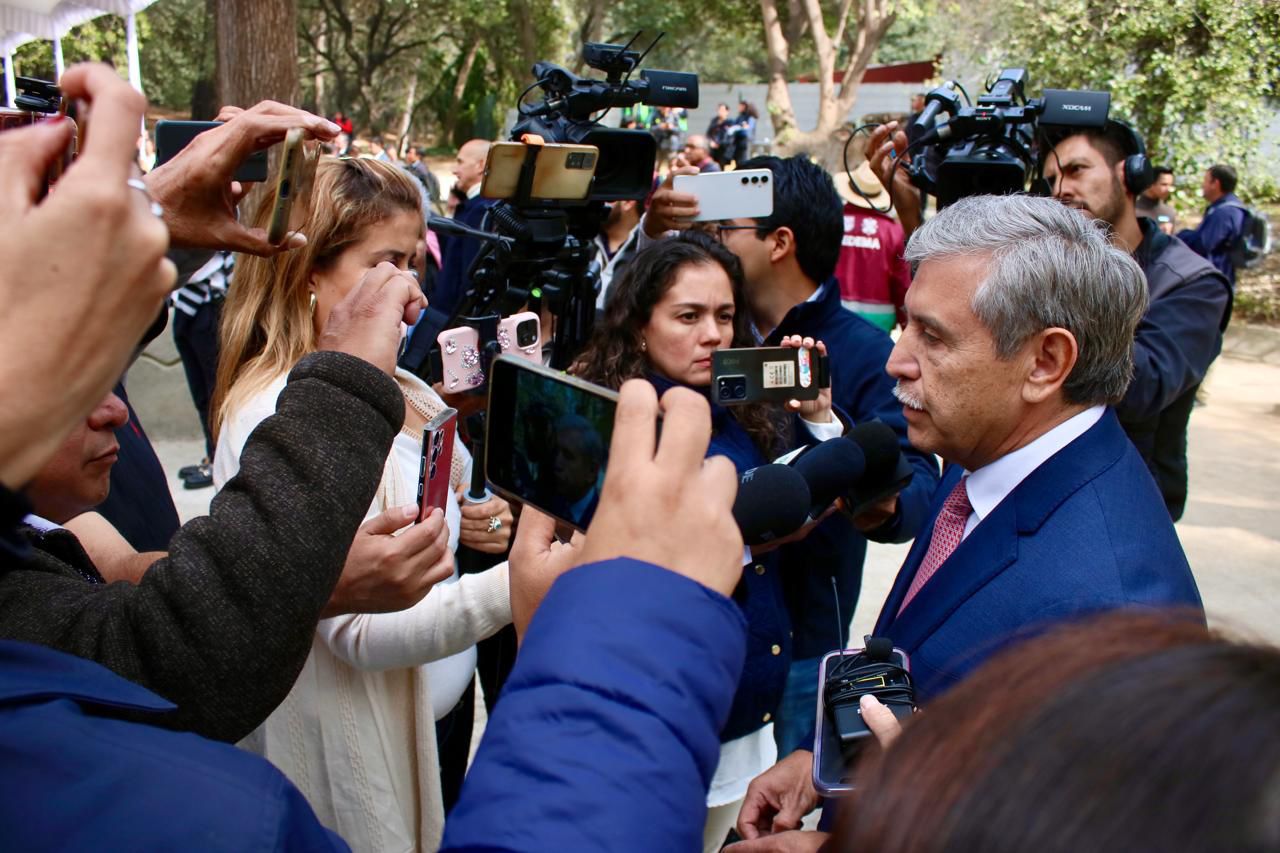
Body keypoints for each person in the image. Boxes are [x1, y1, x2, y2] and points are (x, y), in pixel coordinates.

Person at [735, 194, 1206, 850]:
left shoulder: (1112, 613)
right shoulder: (990, 448)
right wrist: (827, 764)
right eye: (905, 327)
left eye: (932, 336)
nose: (897, 360)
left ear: (1045, 363)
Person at [214, 155, 515, 851]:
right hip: (357, 754)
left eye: (414, 261)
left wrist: (482, 521)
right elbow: (359, 629)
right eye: (385, 263)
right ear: (308, 270)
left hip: (425, 724)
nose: (411, 289)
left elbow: (448, 509)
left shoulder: (403, 383)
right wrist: (520, 582)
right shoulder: (279, 412)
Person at [643, 155, 940, 759]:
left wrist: (834, 440)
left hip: (804, 635)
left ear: (780, 242)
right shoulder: (707, 335)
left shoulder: (860, 351)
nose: (709, 238)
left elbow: (916, 493)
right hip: (691, 623)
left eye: (724, 229)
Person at [573, 230, 840, 852]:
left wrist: (819, 418)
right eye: (688, 316)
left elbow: (826, 503)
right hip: (664, 717)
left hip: (750, 713)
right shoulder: (611, 421)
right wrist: (737, 543)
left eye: (724, 315)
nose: (714, 335)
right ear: (639, 326)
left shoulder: (744, 406)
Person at [869, 119, 1233, 521]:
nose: (1061, 188)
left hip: (1111, 513)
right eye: (1049, 178)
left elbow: (1139, 388)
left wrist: (1031, 300)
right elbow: (957, 307)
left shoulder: (1193, 281)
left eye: (1077, 170)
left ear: (1130, 174)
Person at [831, 162, 910, 330]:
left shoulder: (831, 221)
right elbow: (902, 282)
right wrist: (906, 323)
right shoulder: (893, 231)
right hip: (878, 322)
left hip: (832, 313)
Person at [1178, 163, 1250, 286]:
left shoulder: (1225, 212)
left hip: (1216, 280)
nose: (1202, 185)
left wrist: (1180, 236)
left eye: (1205, 181)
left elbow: (1203, 245)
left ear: (1215, 184)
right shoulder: (1223, 207)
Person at [593, 197, 645, 310]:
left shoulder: (647, 248)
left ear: (628, 202)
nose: (597, 204)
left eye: (608, 197)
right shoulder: (581, 242)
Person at [1136, 165, 1177, 233]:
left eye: (1170, 185)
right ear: (1150, 184)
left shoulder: (1169, 212)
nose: (1169, 189)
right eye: (1164, 184)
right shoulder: (1132, 211)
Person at [405, 143, 443, 210]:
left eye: (410, 153)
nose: (407, 155)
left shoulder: (421, 170)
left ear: (418, 156)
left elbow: (429, 189)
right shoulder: (413, 167)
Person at [729, 101, 759, 166]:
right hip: (738, 144)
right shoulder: (740, 117)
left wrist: (741, 128)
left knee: (744, 162)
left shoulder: (750, 118)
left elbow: (747, 131)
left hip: (745, 144)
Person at [708, 102, 734, 167]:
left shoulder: (730, 122)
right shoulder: (714, 120)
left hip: (723, 150)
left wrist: (719, 143)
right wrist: (710, 142)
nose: (720, 112)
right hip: (713, 150)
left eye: (722, 110)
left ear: (727, 111)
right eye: (719, 110)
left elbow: (730, 137)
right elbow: (709, 133)